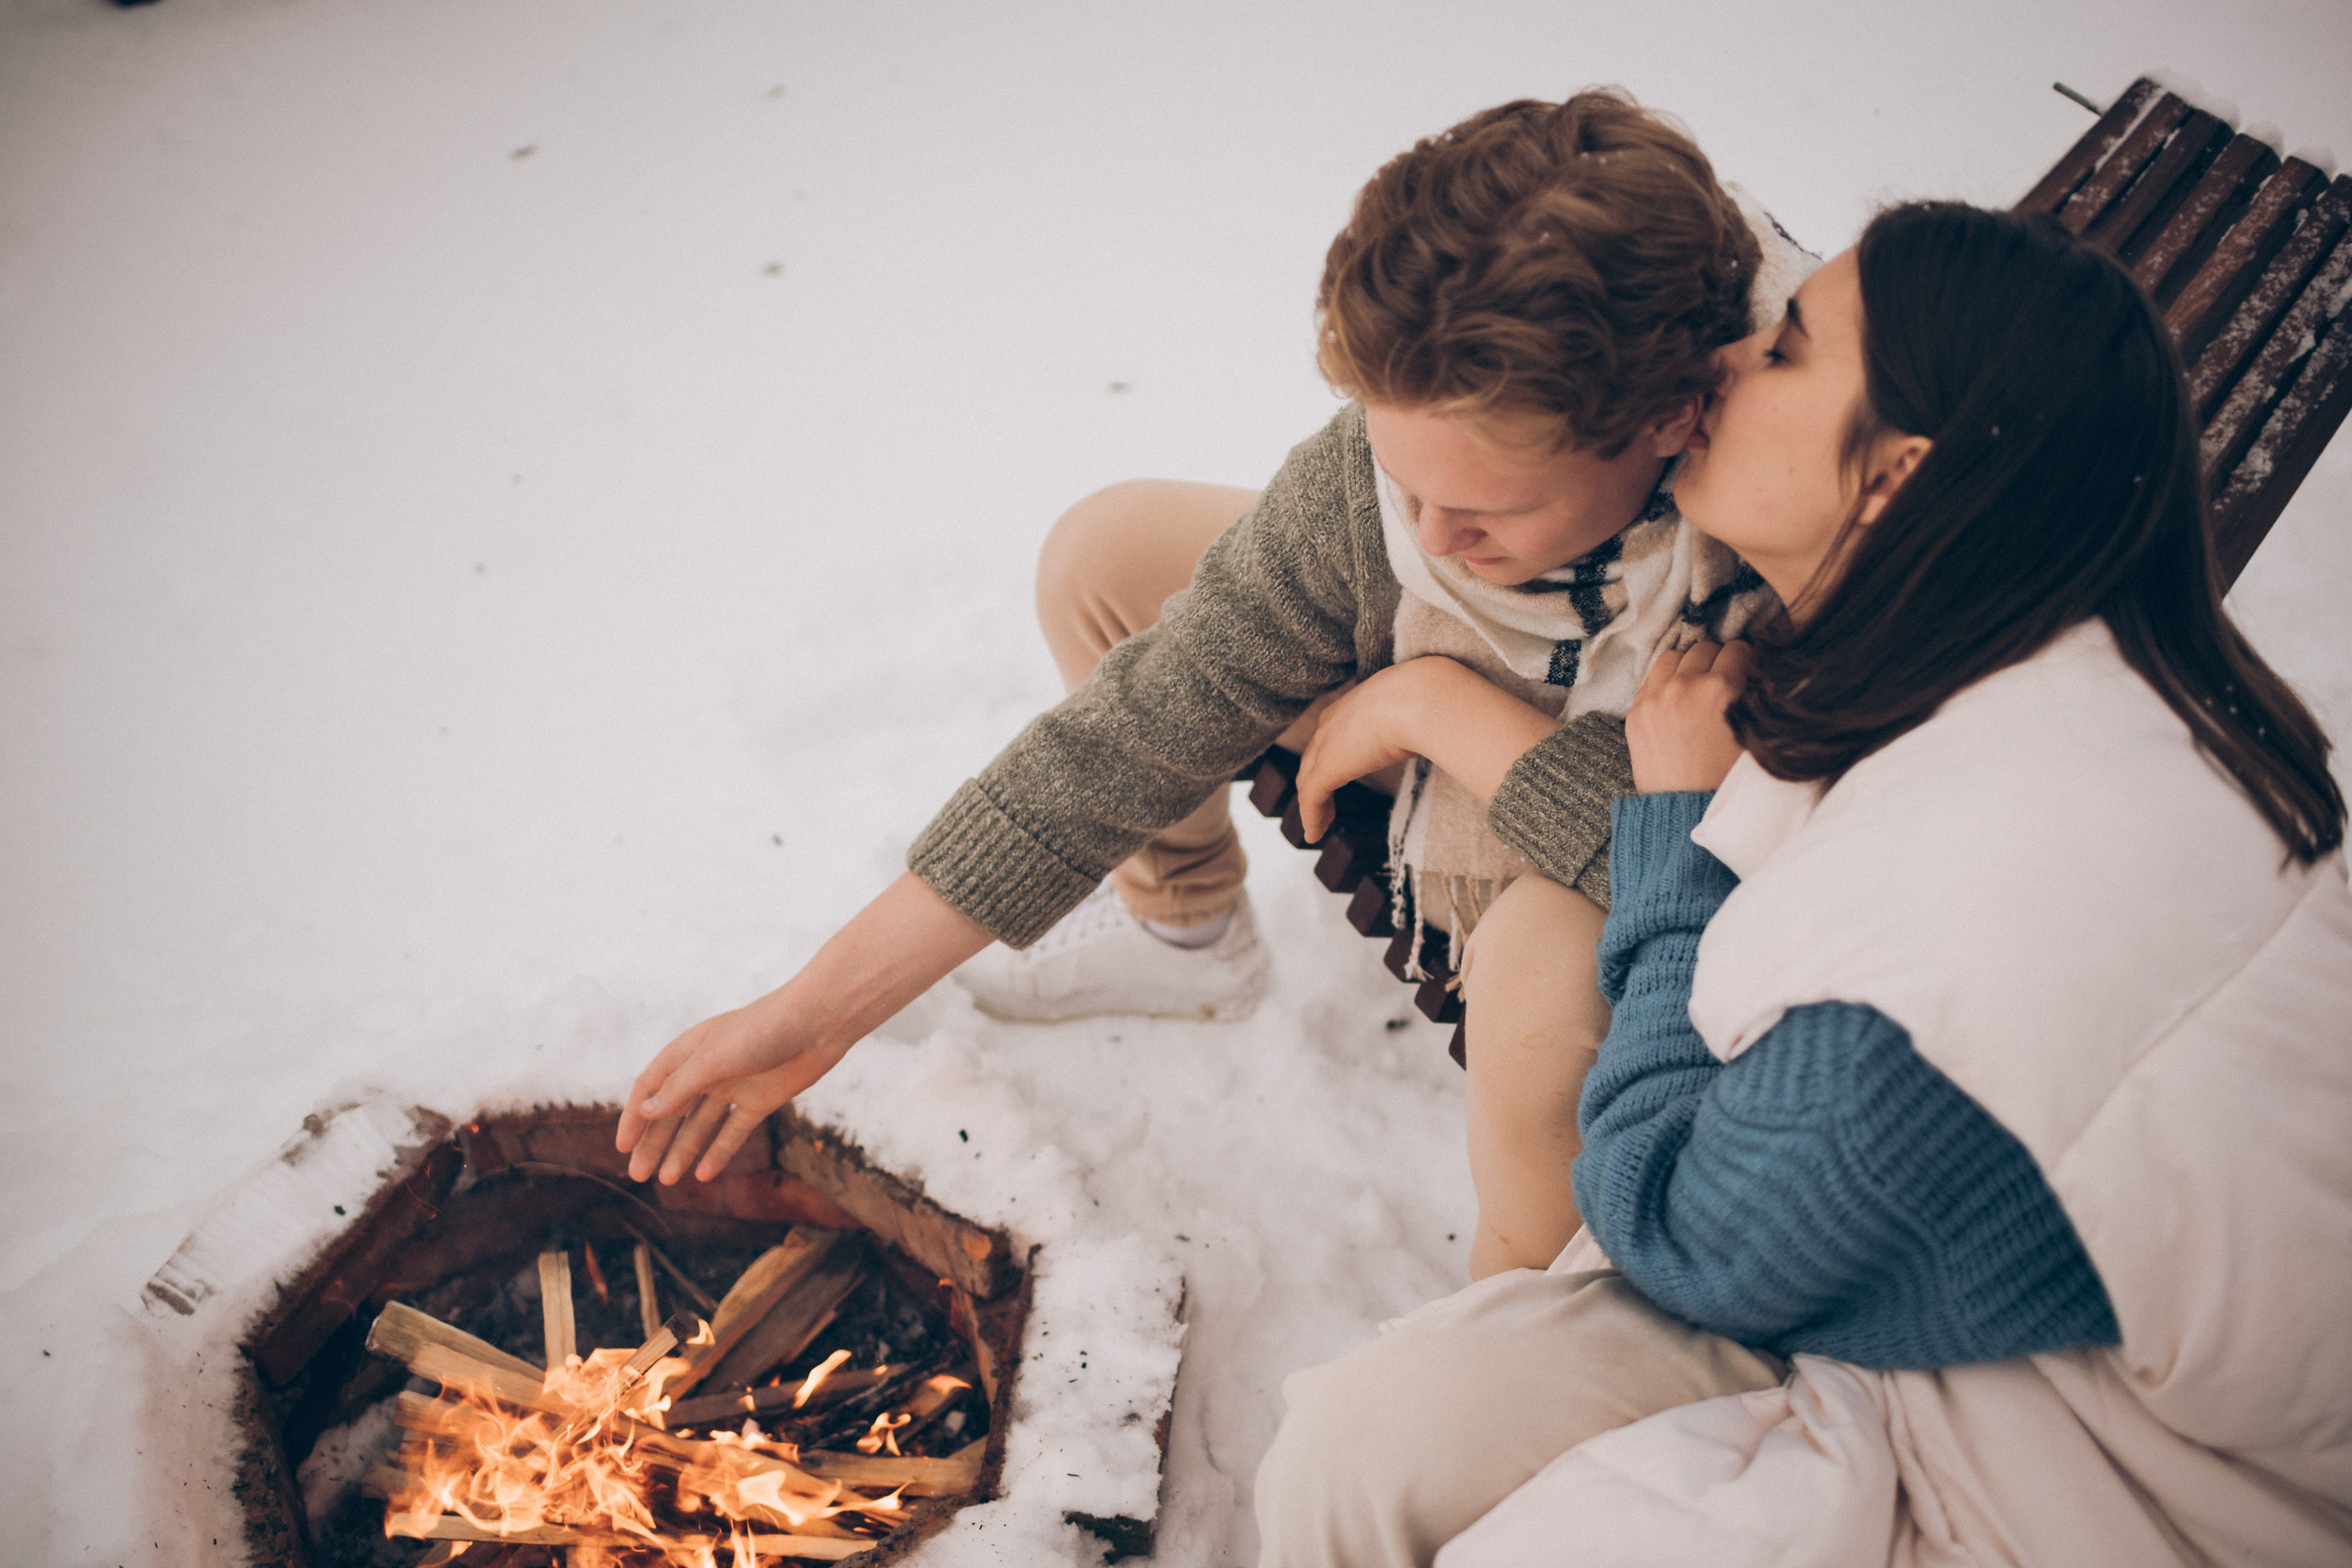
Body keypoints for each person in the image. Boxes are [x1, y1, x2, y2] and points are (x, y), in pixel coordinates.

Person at [1254, 200, 2352, 1568]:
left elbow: (1674, 1226)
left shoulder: (1968, 917)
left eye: (1785, 349)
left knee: (1373, 1455)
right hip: (1980, 1297)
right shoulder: (2083, 672)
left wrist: (1669, 837)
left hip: (2099, 1466)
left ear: (1894, 479)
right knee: (1388, 1439)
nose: (1724, 363)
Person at [616, 91, 1812, 1279]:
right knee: (1111, 552)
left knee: (1540, 1023)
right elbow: (1133, 730)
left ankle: (1509, 1317)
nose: (1433, 537)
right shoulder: (1399, 479)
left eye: (1489, 508)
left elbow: (1728, 871)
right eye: (1404, 480)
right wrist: (814, 1012)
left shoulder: (1790, 523)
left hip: (1631, 822)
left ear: (1672, 419)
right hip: (1468, 714)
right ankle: (1184, 930)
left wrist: (1433, 706)